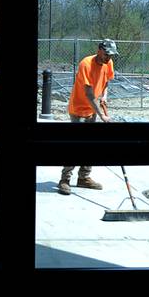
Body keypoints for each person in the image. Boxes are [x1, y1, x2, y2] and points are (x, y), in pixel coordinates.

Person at [58, 38, 118, 194]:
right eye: (106, 54)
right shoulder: (86, 64)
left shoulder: (108, 63)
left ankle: (84, 178)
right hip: (78, 109)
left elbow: (106, 82)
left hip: (93, 109)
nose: (109, 58)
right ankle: (65, 179)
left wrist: (104, 96)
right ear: (99, 50)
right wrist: (102, 116)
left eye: (111, 55)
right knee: (76, 144)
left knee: (90, 143)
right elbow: (89, 94)